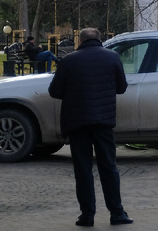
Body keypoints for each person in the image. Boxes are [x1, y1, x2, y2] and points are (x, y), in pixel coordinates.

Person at [48, 28, 131, 227]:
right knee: (109, 167)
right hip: (103, 121)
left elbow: (54, 91)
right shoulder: (112, 57)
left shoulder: (68, 60)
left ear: (80, 40)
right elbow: (122, 87)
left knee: (83, 169)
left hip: (77, 122)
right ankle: (117, 213)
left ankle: (87, 215)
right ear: (100, 39)